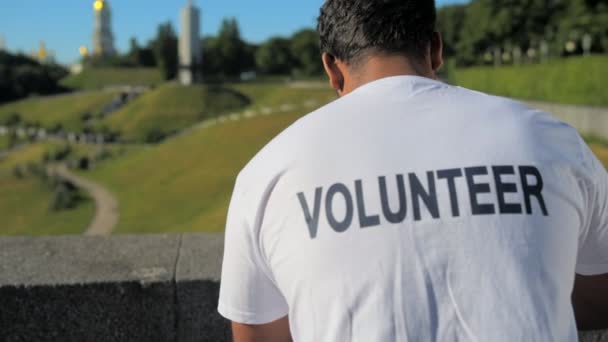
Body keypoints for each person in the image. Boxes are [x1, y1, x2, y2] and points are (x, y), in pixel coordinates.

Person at [218, 0, 608, 340]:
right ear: (436, 49)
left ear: (331, 70)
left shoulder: (266, 171)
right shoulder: (551, 138)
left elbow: (259, 335)